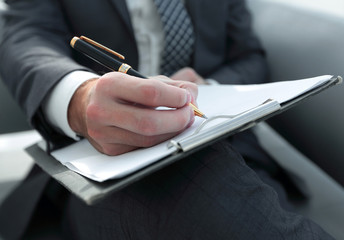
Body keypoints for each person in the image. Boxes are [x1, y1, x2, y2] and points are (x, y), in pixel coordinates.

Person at [0, 0, 334, 239]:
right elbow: (25, 40)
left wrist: (207, 87)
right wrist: (81, 97)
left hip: (227, 142)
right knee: (189, 184)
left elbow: (248, 54)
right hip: (100, 163)